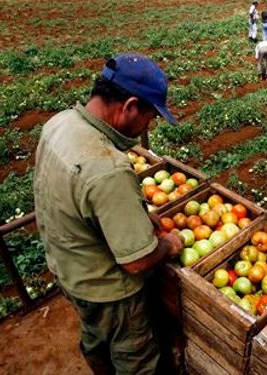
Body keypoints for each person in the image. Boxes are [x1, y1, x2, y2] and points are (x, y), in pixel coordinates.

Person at [33, 53, 184, 375]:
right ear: (130, 106)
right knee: (136, 360)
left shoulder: (59, 123)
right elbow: (136, 261)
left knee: (95, 340)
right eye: (149, 116)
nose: (148, 125)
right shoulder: (107, 169)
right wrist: (169, 245)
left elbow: (78, 199)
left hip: (69, 268)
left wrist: (137, 213)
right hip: (109, 292)